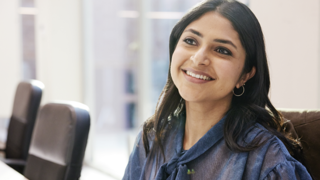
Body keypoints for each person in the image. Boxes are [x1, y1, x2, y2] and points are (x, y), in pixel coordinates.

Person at [123, 0, 312, 179]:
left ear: (245, 75)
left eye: (222, 50)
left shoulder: (268, 161)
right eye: (190, 41)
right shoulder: (152, 137)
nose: (198, 58)